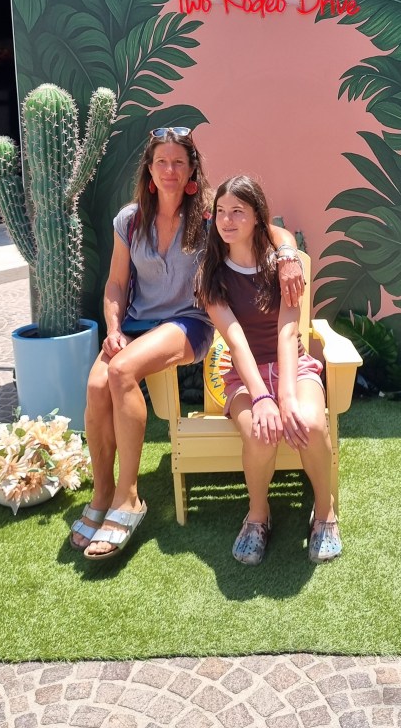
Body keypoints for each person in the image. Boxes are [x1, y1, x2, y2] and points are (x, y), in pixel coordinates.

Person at [76, 128, 304, 561]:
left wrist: (290, 257)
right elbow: (116, 283)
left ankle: (129, 498)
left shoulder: (208, 214)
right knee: (96, 384)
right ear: (148, 170)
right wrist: (114, 327)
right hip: (135, 323)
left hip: (187, 322)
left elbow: (273, 230)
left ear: (192, 170)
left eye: (179, 162)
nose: (170, 170)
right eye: (161, 161)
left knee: (121, 370)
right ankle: (102, 493)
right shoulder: (129, 220)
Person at [195, 175, 341, 566]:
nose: (227, 220)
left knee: (310, 424)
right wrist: (261, 396)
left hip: (293, 364)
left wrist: (287, 396)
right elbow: (236, 341)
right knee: (261, 435)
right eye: (220, 212)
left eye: (237, 211)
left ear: (258, 217)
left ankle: (325, 511)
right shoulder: (211, 275)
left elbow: (289, 330)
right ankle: (258, 515)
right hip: (245, 375)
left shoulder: (283, 267)